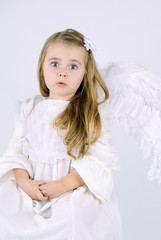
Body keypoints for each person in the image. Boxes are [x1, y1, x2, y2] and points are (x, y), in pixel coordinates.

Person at [0, 29, 122, 240]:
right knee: (6, 209)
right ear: (42, 67)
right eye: (54, 64)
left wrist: (63, 185)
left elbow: (99, 160)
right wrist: (25, 183)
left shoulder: (90, 112)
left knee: (72, 220)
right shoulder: (29, 108)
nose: (62, 72)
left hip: (72, 186)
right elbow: (15, 151)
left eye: (73, 66)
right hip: (33, 185)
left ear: (85, 73)